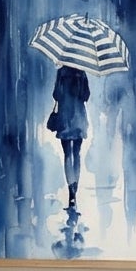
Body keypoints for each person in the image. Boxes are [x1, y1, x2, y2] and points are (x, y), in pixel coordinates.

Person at [46, 63, 90, 208]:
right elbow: (86, 95)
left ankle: (71, 190)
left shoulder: (61, 72)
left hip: (65, 118)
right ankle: (75, 188)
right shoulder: (82, 72)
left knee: (67, 155)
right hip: (78, 119)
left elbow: (56, 95)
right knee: (76, 154)